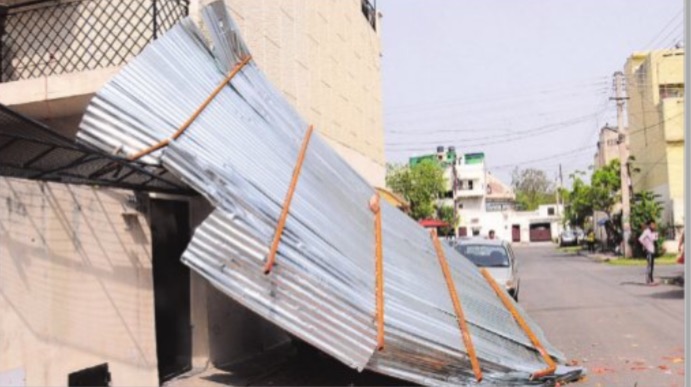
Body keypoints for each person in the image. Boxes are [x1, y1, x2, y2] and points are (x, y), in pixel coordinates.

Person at [638, 220, 658, 285]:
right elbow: (640, 239)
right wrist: (645, 245)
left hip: (652, 250)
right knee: (649, 265)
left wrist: (656, 234)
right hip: (648, 250)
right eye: (652, 224)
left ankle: (651, 280)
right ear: (649, 225)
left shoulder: (653, 232)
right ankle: (649, 280)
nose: (653, 226)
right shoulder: (646, 231)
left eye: (654, 224)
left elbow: (655, 240)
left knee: (651, 266)